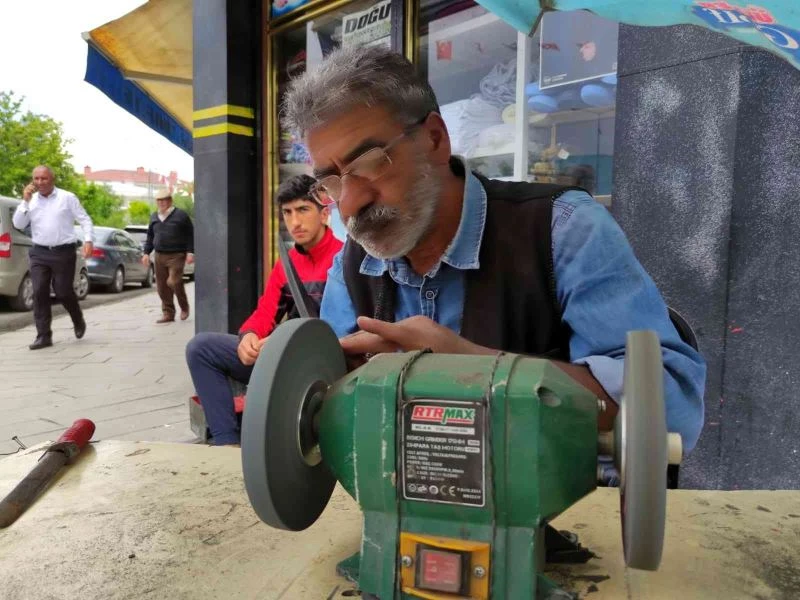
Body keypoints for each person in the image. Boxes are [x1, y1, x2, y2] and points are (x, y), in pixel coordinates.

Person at [283, 46, 707, 453]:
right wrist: (301, 374)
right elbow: (336, 410)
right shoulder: (353, 267)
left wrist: (476, 368)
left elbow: (671, 413)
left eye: (371, 162)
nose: (350, 203)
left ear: (434, 138)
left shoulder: (563, 230)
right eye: (332, 182)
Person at [185, 175, 343, 446]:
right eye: (287, 213)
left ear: (324, 213)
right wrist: (249, 335)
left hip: (328, 362)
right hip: (284, 359)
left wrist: (286, 342)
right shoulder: (287, 264)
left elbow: (347, 326)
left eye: (303, 210)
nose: (295, 222)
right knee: (201, 348)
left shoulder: (344, 258)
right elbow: (266, 311)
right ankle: (226, 444)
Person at [12, 166, 94, 350]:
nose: (40, 182)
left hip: (63, 252)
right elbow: (18, 223)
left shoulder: (67, 198)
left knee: (63, 291)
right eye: (36, 179)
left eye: (44, 178)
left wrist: (88, 240)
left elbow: (85, 219)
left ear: (52, 179)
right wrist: (24, 202)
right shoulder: (30, 201)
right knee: (39, 291)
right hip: (39, 252)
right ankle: (43, 336)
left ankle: (77, 318)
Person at [142, 188, 194, 323]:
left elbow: (190, 234)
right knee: (162, 287)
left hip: (177, 255)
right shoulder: (154, 216)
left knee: (173, 281)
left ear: (170, 201)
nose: (161, 203)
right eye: (159, 201)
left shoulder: (181, 215)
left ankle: (184, 307)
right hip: (159, 255)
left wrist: (190, 252)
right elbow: (150, 236)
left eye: (164, 200)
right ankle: (168, 314)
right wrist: (146, 253)